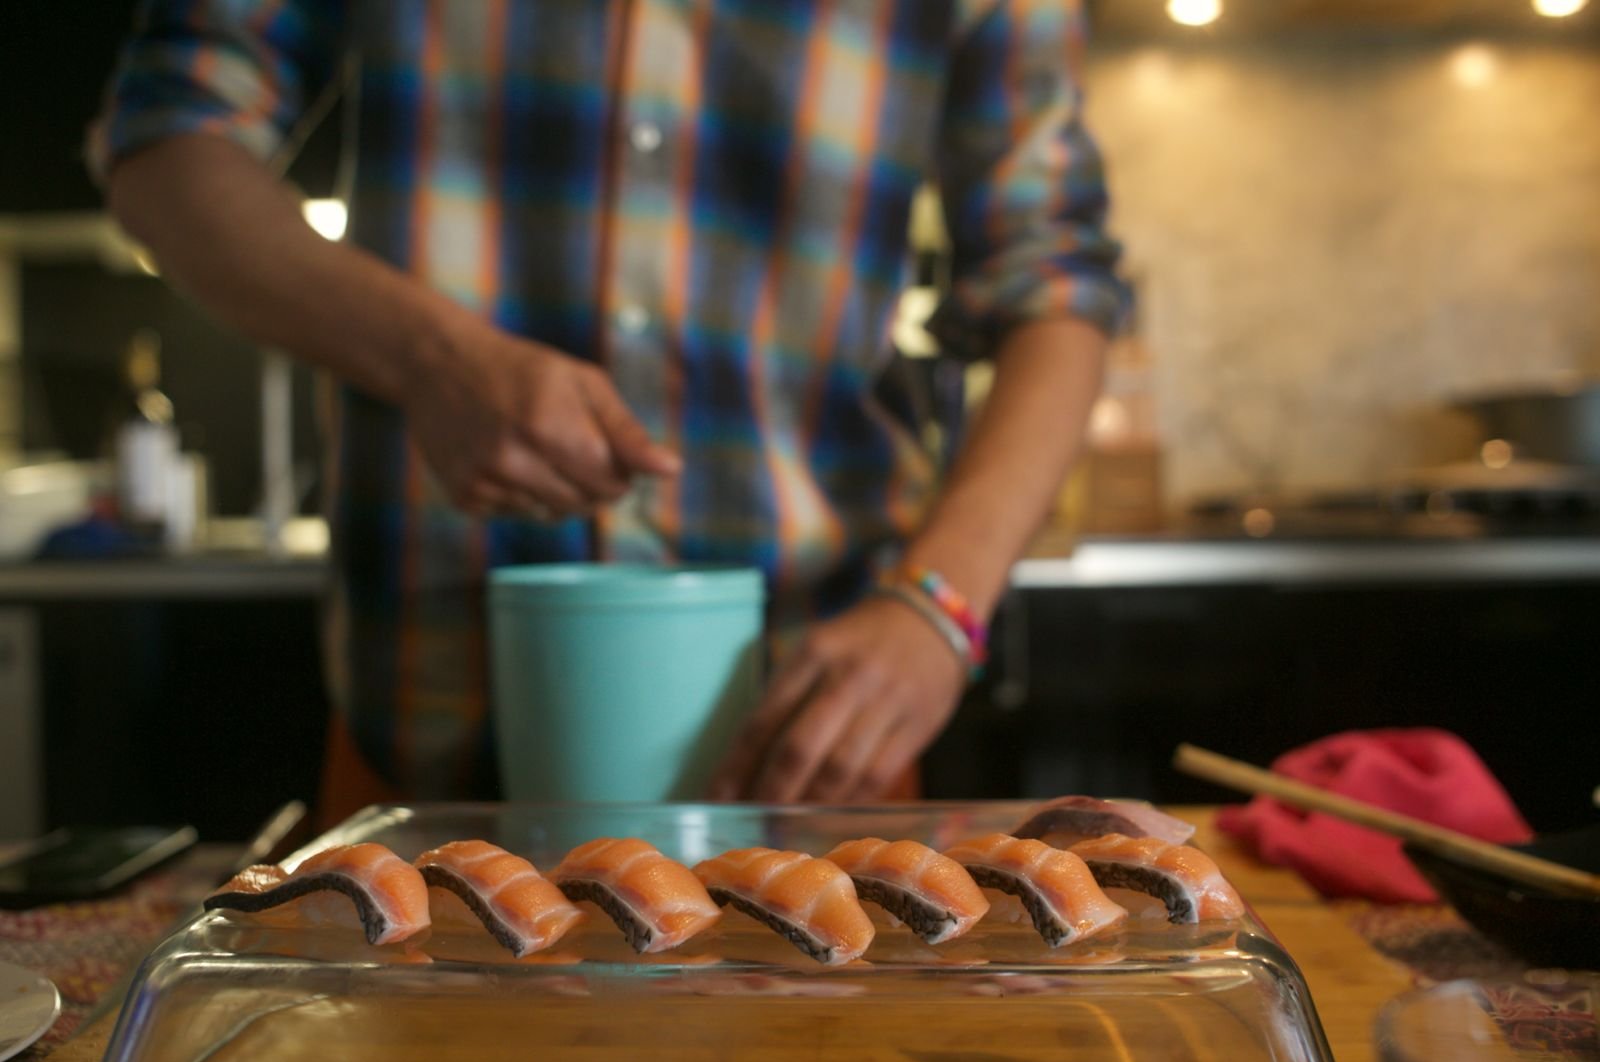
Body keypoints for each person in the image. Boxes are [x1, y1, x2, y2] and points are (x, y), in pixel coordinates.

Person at [95, 0, 1125, 809]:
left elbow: (1059, 288)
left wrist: (939, 606)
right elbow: (163, 141)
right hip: (427, 743)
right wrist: (427, 356)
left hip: (821, 753)